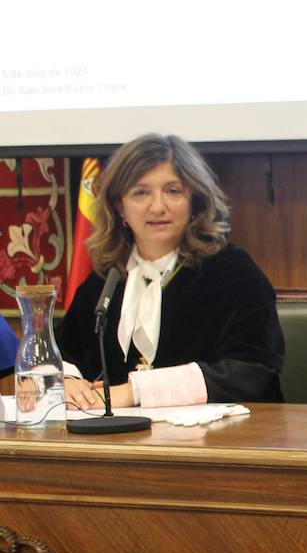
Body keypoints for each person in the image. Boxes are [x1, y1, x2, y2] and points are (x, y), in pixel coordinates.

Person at [58, 133, 284, 409]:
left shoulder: (232, 272)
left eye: (173, 191)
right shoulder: (106, 280)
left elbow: (251, 372)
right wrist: (67, 382)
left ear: (194, 200)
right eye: (140, 193)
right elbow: (61, 354)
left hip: (218, 443)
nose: (157, 207)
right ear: (119, 207)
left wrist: (134, 393)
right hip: (119, 444)